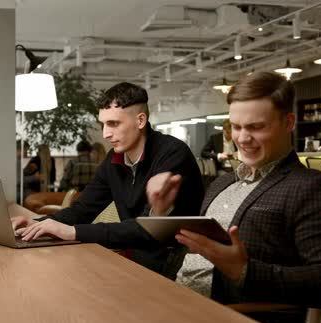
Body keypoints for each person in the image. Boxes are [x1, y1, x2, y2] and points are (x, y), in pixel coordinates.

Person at [146, 72, 321, 323]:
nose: (242, 139)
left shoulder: (312, 188)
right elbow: (185, 250)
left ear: (289, 123)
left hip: (227, 319)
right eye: (236, 127)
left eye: (256, 127)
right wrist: (161, 213)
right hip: (172, 304)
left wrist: (244, 271)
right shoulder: (222, 184)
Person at [12, 82, 204, 275]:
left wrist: (72, 232)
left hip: (178, 266)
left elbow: (147, 229)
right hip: (140, 261)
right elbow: (82, 209)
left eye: (114, 123)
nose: (105, 134)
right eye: (103, 124)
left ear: (140, 120)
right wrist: (38, 223)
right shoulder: (113, 159)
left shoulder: (173, 154)